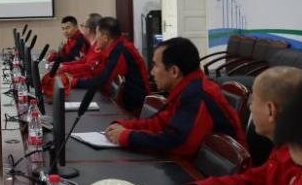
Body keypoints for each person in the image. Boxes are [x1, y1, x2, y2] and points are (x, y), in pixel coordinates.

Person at [104, 36, 243, 155]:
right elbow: (159, 123)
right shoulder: (187, 88)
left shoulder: (197, 95)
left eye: (155, 66)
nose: (152, 72)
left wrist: (128, 137)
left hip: (212, 173)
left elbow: (177, 143)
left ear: (174, 71)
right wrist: (125, 126)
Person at [75, 16, 150, 115]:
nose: (96, 38)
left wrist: (75, 82)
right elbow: (97, 72)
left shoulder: (121, 51)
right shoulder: (115, 48)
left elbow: (103, 81)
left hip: (133, 109)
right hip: (123, 103)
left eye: (97, 34)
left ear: (105, 38)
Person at [42, 14, 104, 95]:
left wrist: (72, 78)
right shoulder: (92, 45)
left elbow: (86, 67)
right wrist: (62, 66)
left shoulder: (83, 42)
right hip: (85, 80)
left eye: (82, 26)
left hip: (94, 88)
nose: (65, 31)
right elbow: (83, 61)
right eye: (63, 29)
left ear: (88, 29)